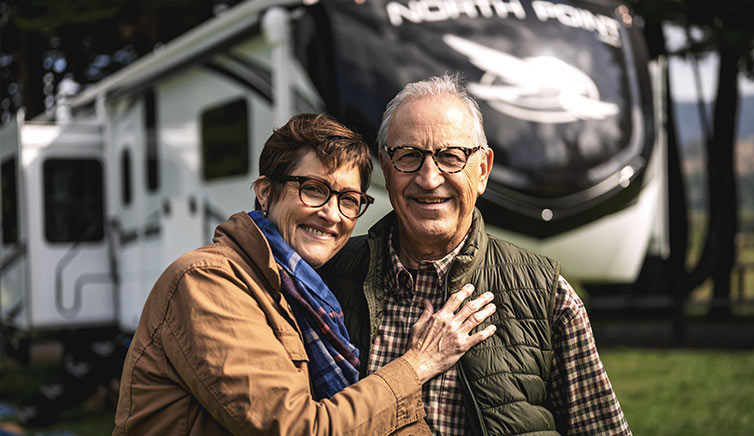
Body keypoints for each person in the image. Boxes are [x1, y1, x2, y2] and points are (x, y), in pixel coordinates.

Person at [113, 113, 497, 436]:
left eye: (348, 199)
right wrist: (418, 364)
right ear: (264, 193)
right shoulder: (208, 281)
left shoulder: (304, 291)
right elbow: (298, 428)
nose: (332, 214)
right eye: (314, 189)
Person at [320, 75, 632, 436]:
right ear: (386, 169)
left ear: (482, 170)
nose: (429, 178)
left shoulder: (549, 297)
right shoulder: (329, 277)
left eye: (451, 157)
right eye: (409, 156)